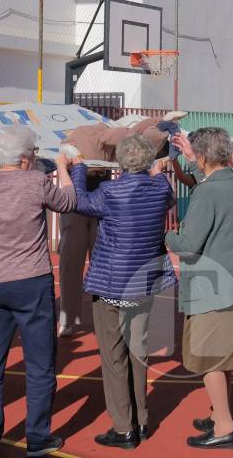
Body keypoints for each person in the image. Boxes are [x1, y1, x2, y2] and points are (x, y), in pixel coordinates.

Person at [0, 126, 77, 458]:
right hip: (31, 281)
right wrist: (62, 168)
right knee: (40, 363)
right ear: (24, 159)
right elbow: (68, 201)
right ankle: (37, 436)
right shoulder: (35, 183)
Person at [68, 134, 178, 449]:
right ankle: (141, 421)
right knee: (137, 354)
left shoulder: (110, 191)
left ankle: (123, 427)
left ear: (120, 162)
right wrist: (158, 171)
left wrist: (78, 168)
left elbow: (80, 201)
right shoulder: (160, 189)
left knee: (114, 358)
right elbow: (167, 194)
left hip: (111, 284)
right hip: (144, 285)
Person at [166, 128, 233, 450]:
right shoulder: (232, 179)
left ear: (204, 155)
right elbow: (207, 180)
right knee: (224, 353)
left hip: (215, 282)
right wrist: (193, 161)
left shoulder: (207, 193)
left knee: (210, 358)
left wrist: (166, 236)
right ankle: (220, 413)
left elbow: (188, 243)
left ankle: (225, 427)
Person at [57, 114, 180, 336]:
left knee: (83, 260)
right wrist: (160, 122)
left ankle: (76, 317)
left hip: (94, 189)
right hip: (87, 189)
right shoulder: (100, 131)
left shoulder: (95, 132)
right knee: (82, 260)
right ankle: (77, 316)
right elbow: (133, 133)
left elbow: (133, 132)